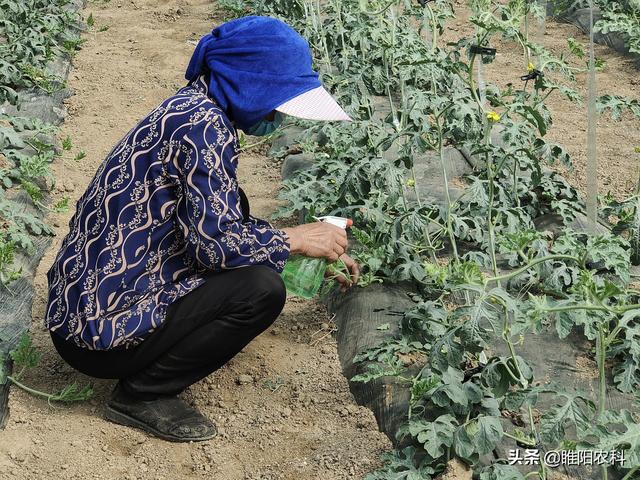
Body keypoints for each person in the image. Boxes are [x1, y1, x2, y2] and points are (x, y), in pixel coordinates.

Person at [44, 16, 359, 442]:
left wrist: (298, 252)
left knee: (253, 250)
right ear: (250, 84)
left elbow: (215, 222)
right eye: (279, 99)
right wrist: (294, 239)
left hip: (81, 313)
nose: (279, 114)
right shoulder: (205, 129)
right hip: (100, 334)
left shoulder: (189, 108)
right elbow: (215, 247)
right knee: (262, 291)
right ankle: (140, 395)